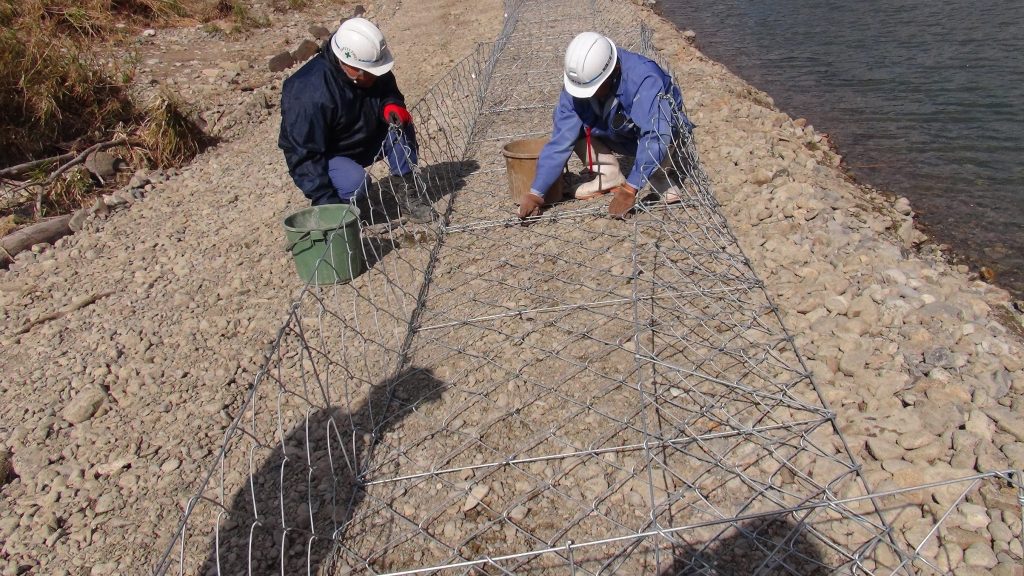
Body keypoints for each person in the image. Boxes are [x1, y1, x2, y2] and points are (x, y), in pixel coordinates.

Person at [518, 31, 693, 220]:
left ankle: (659, 175)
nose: (588, 95)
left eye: (594, 89)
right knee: (572, 125)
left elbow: (657, 134)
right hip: (616, 132)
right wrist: (537, 192)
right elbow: (561, 141)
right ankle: (608, 174)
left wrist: (631, 188)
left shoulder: (643, 78)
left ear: (614, 70)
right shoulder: (579, 82)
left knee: (664, 127)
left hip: (659, 134)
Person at [279, 17, 432, 222]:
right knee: (354, 183)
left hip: (364, 137)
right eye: (368, 74)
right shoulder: (307, 92)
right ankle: (342, 210)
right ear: (348, 64)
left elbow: (388, 90)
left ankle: (407, 192)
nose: (375, 77)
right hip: (330, 154)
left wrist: (391, 104)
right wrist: (326, 204)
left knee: (400, 126)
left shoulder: (369, 63)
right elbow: (304, 154)